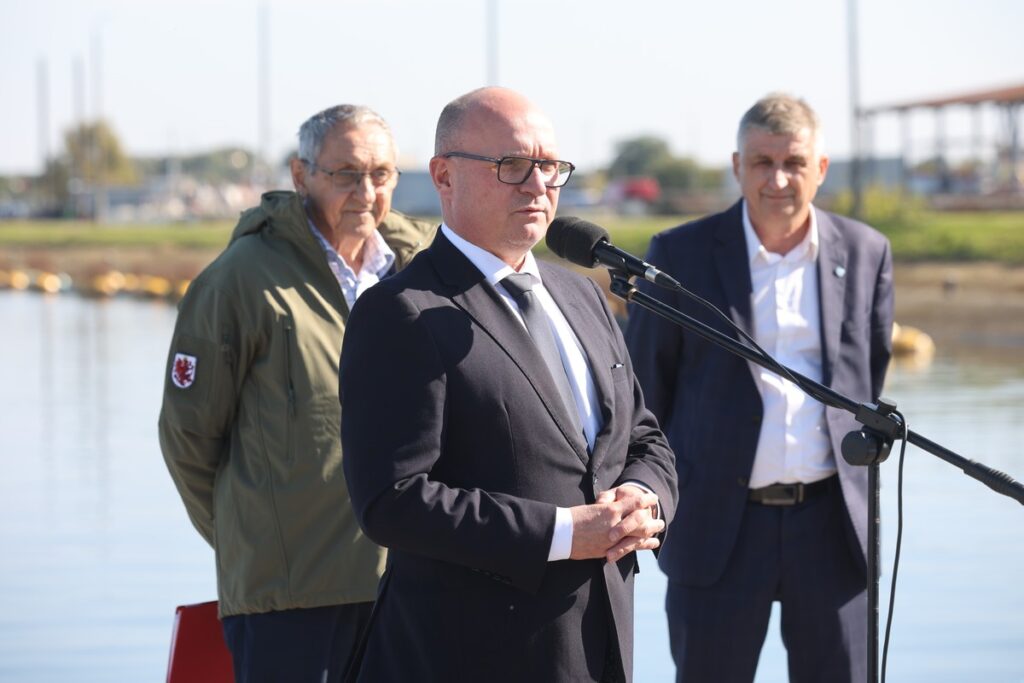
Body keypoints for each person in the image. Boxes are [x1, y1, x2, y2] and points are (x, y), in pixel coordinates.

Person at [339, 87, 678, 683]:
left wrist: (645, 499)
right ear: (444, 176)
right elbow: (391, 500)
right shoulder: (401, 311)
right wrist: (563, 533)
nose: (537, 184)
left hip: (598, 643)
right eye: (512, 165)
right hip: (470, 654)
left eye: (550, 167)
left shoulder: (580, 295)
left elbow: (642, 436)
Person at [158, 104, 436, 682]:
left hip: (409, 584)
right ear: (300, 175)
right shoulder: (239, 281)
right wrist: (254, 539)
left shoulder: (422, 269)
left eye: (381, 174)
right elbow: (187, 438)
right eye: (346, 174)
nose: (366, 191)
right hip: (289, 598)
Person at [625, 93, 894, 682]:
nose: (778, 179)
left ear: (820, 169)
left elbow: (867, 379)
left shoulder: (868, 252)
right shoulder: (679, 255)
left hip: (830, 527)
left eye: (794, 163)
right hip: (716, 524)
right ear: (736, 166)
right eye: (762, 162)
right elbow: (645, 397)